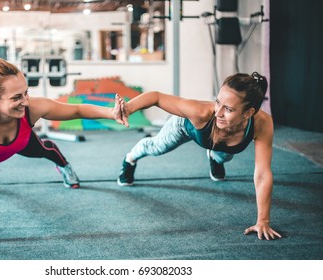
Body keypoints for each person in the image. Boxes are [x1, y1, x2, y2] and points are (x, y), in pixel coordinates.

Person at [0, 59, 126, 252]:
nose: (25, 101)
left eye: (26, 92)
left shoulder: (31, 108)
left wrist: (111, 113)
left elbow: (76, 109)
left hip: (21, 142)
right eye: (16, 97)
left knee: (45, 149)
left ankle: (64, 166)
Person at [117, 72, 281, 240]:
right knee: (157, 147)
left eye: (229, 109)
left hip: (223, 141)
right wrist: (129, 108)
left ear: (248, 113)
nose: (218, 113)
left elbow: (262, 174)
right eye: (218, 102)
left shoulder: (262, 123)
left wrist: (263, 221)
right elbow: (156, 97)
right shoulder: (201, 112)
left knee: (225, 155)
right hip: (185, 127)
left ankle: (214, 157)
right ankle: (130, 159)